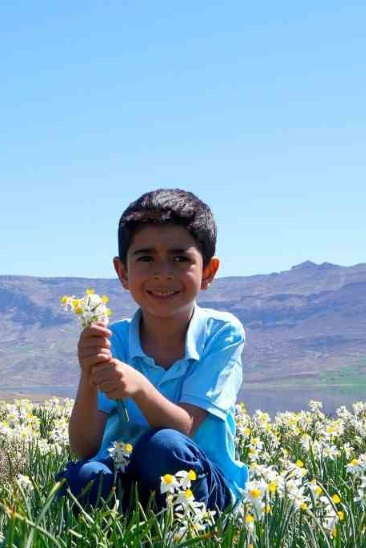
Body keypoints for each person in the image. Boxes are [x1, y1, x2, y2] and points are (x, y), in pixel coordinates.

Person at [61, 188, 248, 512]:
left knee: (164, 446)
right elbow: (84, 447)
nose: (163, 273)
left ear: (208, 272)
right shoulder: (114, 338)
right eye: (146, 258)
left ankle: (187, 544)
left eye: (180, 258)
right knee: (84, 477)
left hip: (202, 488)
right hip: (128, 476)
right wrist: (89, 374)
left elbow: (184, 429)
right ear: (123, 272)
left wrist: (139, 387)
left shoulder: (222, 334)